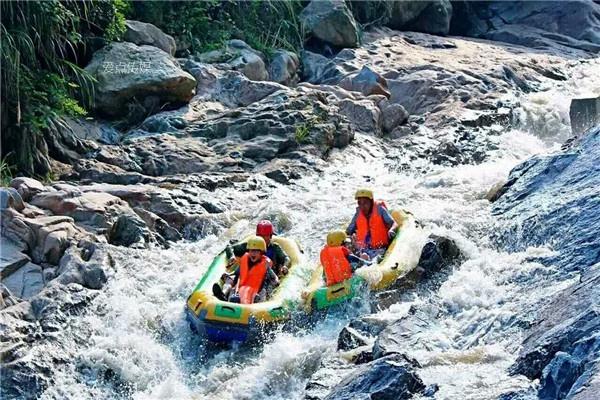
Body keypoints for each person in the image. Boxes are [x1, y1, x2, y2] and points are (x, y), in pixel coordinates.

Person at [346, 188, 398, 260]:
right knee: (358, 255)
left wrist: (391, 230)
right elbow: (349, 231)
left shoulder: (380, 209)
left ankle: (367, 260)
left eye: (365, 203)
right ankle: (362, 259)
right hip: (363, 248)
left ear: (371, 202)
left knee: (374, 258)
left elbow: (393, 223)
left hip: (380, 248)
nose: (362, 206)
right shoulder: (358, 213)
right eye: (359, 203)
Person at [226, 220, 290, 277]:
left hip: (267, 277)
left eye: (265, 236)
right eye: (260, 236)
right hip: (249, 275)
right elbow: (230, 247)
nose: (262, 239)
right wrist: (232, 256)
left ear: (270, 236)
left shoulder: (275, 248)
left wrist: (285, 266)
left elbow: (286, 258)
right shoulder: (251, 245)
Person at [228, 236, 279, 304]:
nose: (253, 253)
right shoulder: (245, 261)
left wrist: (273, 284)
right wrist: (229, 275)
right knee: (233, 288)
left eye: (256, 251)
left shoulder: (265, 264)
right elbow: (237, 274)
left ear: (261, 252)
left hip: (258, 291)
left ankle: (257, 305)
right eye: (251, 251)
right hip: (243, 289)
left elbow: (275, 279)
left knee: (263, 292)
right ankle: (227, 300)